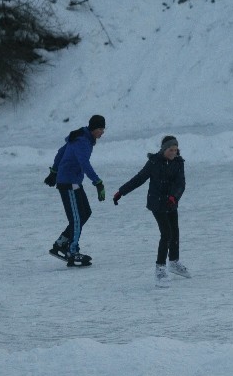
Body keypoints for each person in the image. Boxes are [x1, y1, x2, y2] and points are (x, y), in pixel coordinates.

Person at [112, 135, 190, 287]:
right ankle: (160, 268)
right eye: (170, 150)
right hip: (157, 203)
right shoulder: (154, 162)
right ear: (164, 149)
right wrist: (121, 192)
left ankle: (174, 261)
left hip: (171, 202)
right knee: (166, 233)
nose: (174, 153)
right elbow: (139, 178)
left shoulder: (179, 163)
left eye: (176, 150)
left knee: (175, 232)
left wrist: (174, 197)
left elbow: (181, 183)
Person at [44, 115, 106, 267]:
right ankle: (72, 251)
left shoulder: (80, 136)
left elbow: (60, 152)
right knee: (77, 218)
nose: (102, 132)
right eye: (100, 129)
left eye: (103, 129)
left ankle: (61, 243)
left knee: (85, 212)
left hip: (73, 181)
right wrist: (97, 182)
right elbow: (84, 163)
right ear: (92, 128)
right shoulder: (83, 141)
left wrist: (54, 171)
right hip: (69, 182)